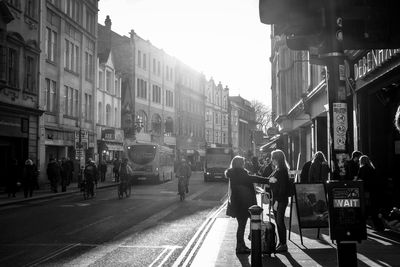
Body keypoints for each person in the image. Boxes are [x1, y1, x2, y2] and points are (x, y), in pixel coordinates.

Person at [225, 155, 270, 254]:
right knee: (242, 225)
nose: (244, 164)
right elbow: (253, 178)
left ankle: (241, 245)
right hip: (243, 204)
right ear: (240, 164)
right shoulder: (240, 174)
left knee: (242, 225)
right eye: (243, 163)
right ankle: (240, 247)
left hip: (238, 204)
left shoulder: (233, 174)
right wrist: (268, 180)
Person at [268, 149, 291, 253]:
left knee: (280, 222)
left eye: (273, 158)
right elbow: (268, 178)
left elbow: (283, 188)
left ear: (278, 159)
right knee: (278, 222)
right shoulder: (278, 170)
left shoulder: (282, 171)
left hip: (280, 200)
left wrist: (276, 201)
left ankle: (283, 244)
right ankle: (281, 243)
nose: (272, 160)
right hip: (277, 199)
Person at [357, 155, 384, 230]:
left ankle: (362, 224)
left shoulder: (362, 168)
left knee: (365, 207)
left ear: (361, 161)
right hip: (373, 190)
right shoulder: (372, 168)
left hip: (366, 190)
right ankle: (379, 225)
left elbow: (359, 179)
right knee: (373, 208)